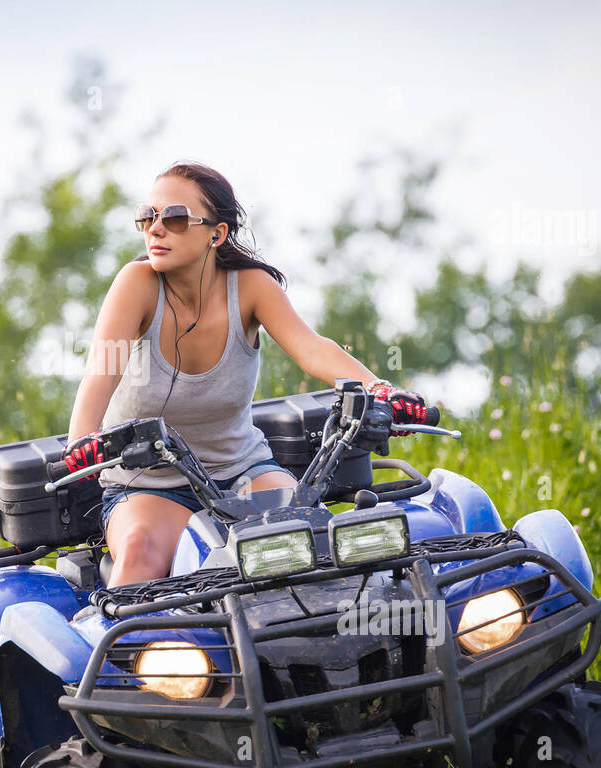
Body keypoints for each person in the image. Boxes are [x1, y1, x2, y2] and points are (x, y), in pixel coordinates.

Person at [63, 161, 427, 587]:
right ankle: (121, 651)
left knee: (308, 538)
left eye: (175, 218)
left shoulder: (250, 287)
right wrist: (81, 444)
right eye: (148, 216)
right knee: (141, 553)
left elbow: (312, 349)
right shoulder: (137, 283)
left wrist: (382, 392)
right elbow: (101, 371)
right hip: (148, 484)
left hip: (242, 473)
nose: (155, 229)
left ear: (216, 234)